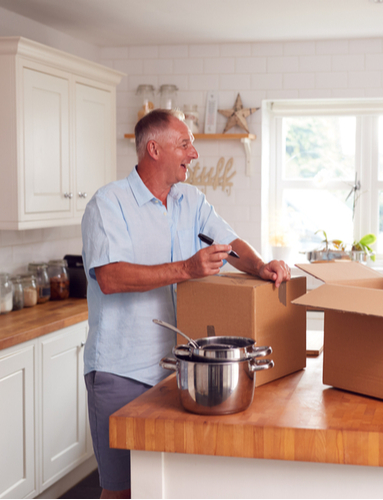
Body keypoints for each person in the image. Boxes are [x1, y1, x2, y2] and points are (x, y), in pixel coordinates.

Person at [81, 108, 291, 499]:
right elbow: (110, 278)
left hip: (175, 373)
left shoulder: (189, 199)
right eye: (185, 143)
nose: (194, 153)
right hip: (119, 373)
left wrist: (261, 266)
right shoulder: (107, 204)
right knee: (122, 490)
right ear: (154, 149)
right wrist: (187, 268)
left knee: (166, 486)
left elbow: (227, 246)